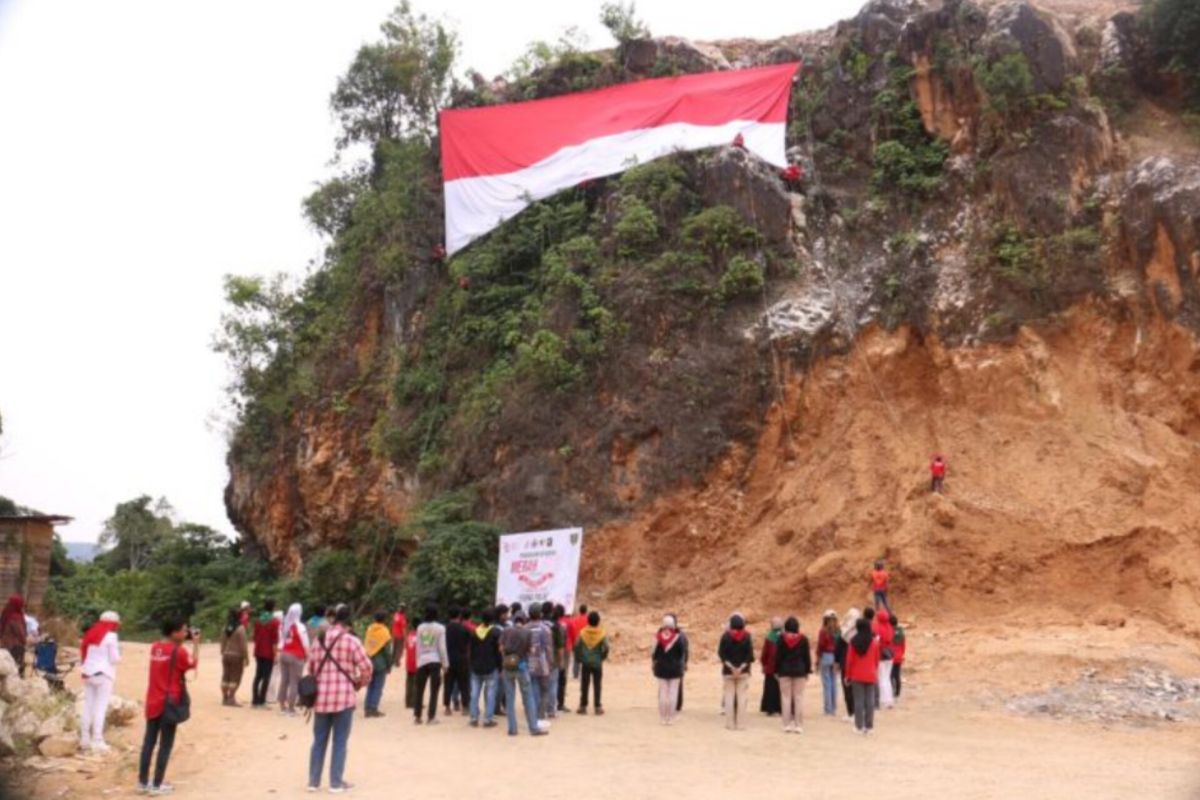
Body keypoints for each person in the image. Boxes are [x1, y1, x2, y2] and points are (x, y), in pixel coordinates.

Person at [306, 605, 372, 793]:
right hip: (344, 698)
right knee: (340, 741)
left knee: (318, 740)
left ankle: (313, 782)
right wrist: (359, 682)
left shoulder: (318, 641)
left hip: (320, 699)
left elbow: (310, 669)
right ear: (348, 623)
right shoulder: (351, 641)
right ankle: (335, 782)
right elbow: (367, 667)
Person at [138, 618, 199, 795]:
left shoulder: (155, 647)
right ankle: (157, 785)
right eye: (183, 630)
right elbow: (192, 664)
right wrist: (195, 644)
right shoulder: (178, 651)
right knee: (165, 744)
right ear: (174, 633)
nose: (186, 633)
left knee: (148, 743)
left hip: (153, 700)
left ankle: (142, 783)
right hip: (169, 702)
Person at [79, 610, 121, 752]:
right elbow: (115, 659)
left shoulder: (91, 632)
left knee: (88, 706)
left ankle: (84, 739)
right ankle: (97, 740)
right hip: (104, 674)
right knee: (100, 707)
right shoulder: (111, 636)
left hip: (88, 673)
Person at [499, 612, 545, 736]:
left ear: (514, 620)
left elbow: (501, 648)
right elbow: (531, 650)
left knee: (509, 698)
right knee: (528, 697)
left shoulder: (506, 630)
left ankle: (512, 729)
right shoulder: (527, 632)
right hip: (522, 666)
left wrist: (506, 657)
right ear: (524, 620)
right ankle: (533, 728)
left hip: (508, 666)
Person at [774, 617, 812, 734]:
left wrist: (776, 670)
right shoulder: (803, 639)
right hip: (799, 671)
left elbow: (778, 656)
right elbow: (807, 657)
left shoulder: (781, 639)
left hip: (784, 671)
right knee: (798, 698)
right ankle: (798, 724)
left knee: (786, 698)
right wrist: (807, 671)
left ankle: (787, 724)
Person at [718, 613, 753, 731]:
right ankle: (741, 724)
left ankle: (730, 724)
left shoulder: (725, 636)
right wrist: (741, 667)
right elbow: (750, 655)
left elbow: (721, 654)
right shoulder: (747, 636)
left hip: (728, 671)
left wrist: (732, 667)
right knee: (742, 697)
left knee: (729, 697)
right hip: (743, 671)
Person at [413, 604, 448, 725]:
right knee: (434, 690)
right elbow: (442, 648)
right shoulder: (440, 628)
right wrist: (445, 664)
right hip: (435, 660)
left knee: (419, 690)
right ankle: (431, 717)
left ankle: (417, 716)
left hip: (422, 660)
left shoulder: (420, 627)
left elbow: (418, 646)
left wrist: (418, 661)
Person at [845, 617, 880, 735]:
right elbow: (876, 660)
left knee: (858, 701)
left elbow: (849, 661)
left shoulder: (853, 642)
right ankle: (869, 726)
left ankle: (858, 726)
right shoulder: (874, 643)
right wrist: (874, 671)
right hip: (870, 674)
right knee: (870, 701)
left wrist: (847, 675)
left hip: (856, 675)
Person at [467, 609, 501, 728]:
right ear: (493, 619)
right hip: (491, 667)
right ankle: (488, 719)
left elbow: (471, 650)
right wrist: (500, 667)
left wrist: (471, 664)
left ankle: (473, 718)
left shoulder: (474, 632)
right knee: (491, 694)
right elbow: (498, 653)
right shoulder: (496, 632)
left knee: (474, 693)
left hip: (476, 667)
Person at [276, 603, 309, 716]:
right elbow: (305, 644)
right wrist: (307, 657)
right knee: (294, 682)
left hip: (284, 653)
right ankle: (291, 708)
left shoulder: (284, 625)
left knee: (284, 680)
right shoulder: (300, 627)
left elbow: (281, 641)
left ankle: (282, 706)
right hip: (296, 655)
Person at [651, 615, 684, 725]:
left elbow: (653, 653)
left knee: (663, 693)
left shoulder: (658, 637)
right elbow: (681, 653)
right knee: (673, 694)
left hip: (661, 668)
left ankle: (662, 717)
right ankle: (670, 718)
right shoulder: (678, 637)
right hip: (675, 669)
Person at [574, 611, 608, 715]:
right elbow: (606, 647)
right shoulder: (601, 633)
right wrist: (602, 657)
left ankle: (583, 706)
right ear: (598, 621)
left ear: (588, 621)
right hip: (597, 663)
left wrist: (579, 658)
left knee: (584, 685)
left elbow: (577, 646)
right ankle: (597, 707)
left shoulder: (583, 632)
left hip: (586, 663)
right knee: (597, 685)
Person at [526, 605, 554, 720]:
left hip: (529, 662)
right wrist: (551, 662)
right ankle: (540, 714)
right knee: (544, 689)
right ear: (540, 614)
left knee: (532, 688)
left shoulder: (524, 628)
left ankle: (533, 713)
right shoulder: (546, 629)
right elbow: (548, 648)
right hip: (543, 663)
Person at [251, 599, 280, 707]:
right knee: (266, 677)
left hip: (258, 651)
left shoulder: (258, 620)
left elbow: (254, 637)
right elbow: (274, 640)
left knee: (258, 676)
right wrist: (275, 654)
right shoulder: (274, 621)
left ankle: (254, 700)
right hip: (268, 653)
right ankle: (262, 701)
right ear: (273, 608)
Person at [363, 611, 392, 718]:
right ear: (384, 619)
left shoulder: (370, 629)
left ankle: (367, 708)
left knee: (370, 685)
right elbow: (387, 652)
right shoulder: (385, 632)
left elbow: (366, 643)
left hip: (369, 661)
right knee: (378, 686)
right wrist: (389, 665)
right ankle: (373, 708)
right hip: (381, 664)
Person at [219, 608, 249, 707]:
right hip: (237, 656)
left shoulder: (225, 628)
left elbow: (222, 642)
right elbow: (243, 645)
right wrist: (246, 657)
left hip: (226, 655)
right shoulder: (240, 628)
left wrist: (223, 652)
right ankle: (231, 698)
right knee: (235, 678)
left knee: (225, 677)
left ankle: (224, 698)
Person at [443, 607, 470, 716]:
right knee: (464, 684)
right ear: (459, 616)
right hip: (462, 659)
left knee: (448, 683)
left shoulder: (444, 629)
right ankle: (465, 707)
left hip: (448, 659)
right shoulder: (464, 629)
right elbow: (468, 644)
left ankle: (447, 708)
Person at [837, 608, 861, 721]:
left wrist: (837, 662)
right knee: (857, 688)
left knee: (847, 688)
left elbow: (838, 649)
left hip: (845, 663)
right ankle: (857, 712)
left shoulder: (843, 632)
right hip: (858, 663)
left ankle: (851, 712)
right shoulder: (860, 632)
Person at [816, 610, 840, 716]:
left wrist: (818, 659)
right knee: (834, 683)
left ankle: (828, 709)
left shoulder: (823, 631)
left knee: (827, 683)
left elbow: (820, 646)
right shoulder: (838, 631)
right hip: (835, 657)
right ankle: (834, 708)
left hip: (826, 656)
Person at [759, 616, 782, 716]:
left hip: (770, 667)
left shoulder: (769, 637)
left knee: (770, 687)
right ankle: (780, 708)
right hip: (782, 667)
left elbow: (765, 653)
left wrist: (764, 664)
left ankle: (770, 708)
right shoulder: (785, 635)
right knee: (780, 688)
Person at [874, 609, 897, 710]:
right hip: (890, 655)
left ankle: (884, 700)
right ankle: (890, 699)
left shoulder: (878, 628)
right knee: (887, 678)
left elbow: (877, 642)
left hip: (882, 656)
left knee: (882, 678)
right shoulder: (890, 628)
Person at [0, 595, 27, 677]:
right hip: (15, 647)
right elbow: (21, 633)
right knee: (15, 670)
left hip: (4, 646)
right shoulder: (16, 618)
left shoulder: (6, 614)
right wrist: (25, 641)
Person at [552, 604, 569, 712]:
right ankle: (560, 704)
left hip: (546, 658)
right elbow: (562, 645)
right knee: (560, 681)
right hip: (559, 656)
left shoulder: (547, 624)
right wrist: (562, 661)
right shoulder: (561, 626)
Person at [569, 605, 589, 681]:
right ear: (586, 611)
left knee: (576, 658)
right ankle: (584, 674)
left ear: (579, 611)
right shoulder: (588, 619)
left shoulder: (575, 619)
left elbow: (572, 630)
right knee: (585, 658)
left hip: (576, 640)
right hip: (585, 641)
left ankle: (575, 674)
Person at [891, 614, 906, 700]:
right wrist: (901, 654)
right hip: (899, 656)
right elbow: (904, 645)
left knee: (891, 675)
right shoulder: (901, 632)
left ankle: (892, 691)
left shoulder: (889, 632)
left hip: (892, 656)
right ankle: (898, 692)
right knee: (897, 675)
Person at [403, 624, 419, 710]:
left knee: (409, 682)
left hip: (409, 662)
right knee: (416, 683)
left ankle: (408, 701)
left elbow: (406, 647)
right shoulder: (419, 636)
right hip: (416, 662)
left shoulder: (409, 635)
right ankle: (414, 702)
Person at [675, 618, 689, 713]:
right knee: (679, 685)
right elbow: (686, 651)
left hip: (664, 664)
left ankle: (666, 705)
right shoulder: (683, 636)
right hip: (679, 663)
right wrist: (685, 662)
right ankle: (678, 705)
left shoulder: (662, 634)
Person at [390, 604, 408, 668]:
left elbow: (392, 624)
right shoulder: (402, 617)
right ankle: (397, 662)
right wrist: (405, 638)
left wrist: (392, 633)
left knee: (394, 648)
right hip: (400, 636)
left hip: (394, 634)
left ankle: (392, 661)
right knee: (399, 649)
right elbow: (403, 628)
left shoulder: (395, 615)